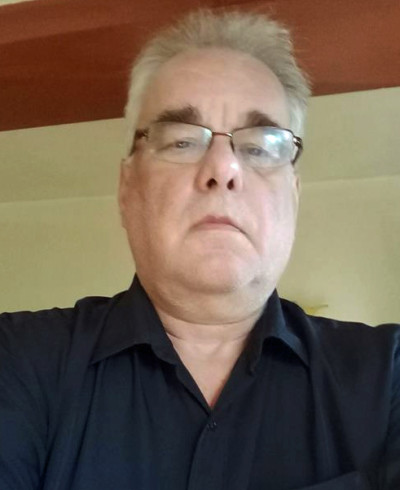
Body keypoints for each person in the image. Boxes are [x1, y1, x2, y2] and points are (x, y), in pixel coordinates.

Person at [0, 9, 399, 490]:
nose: (223, 168)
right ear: (128, 189)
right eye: (181, 141)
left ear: (293, 195)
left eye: (260, 146)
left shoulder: (389, 377)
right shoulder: (17, 360)